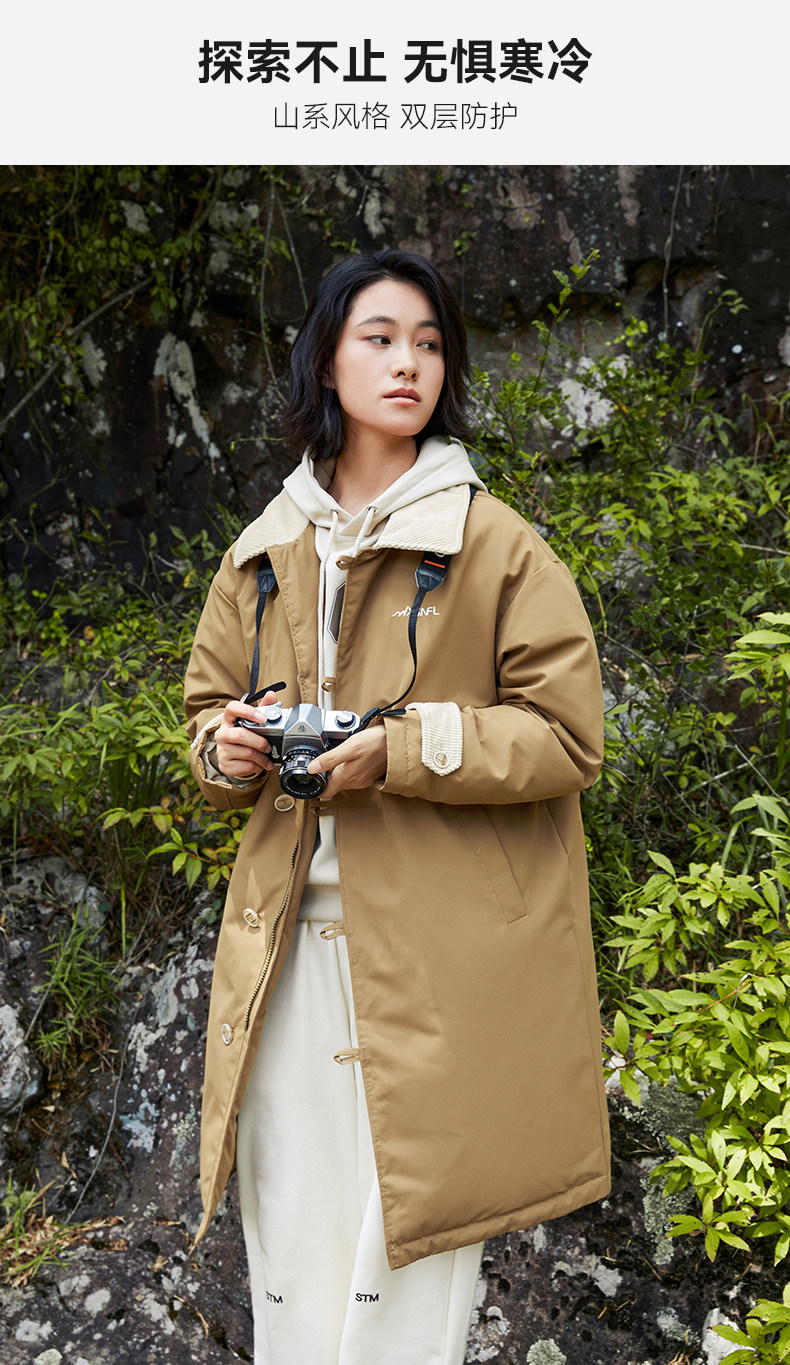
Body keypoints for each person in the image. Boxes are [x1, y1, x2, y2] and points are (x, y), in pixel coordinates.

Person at [184, 248, 610, 1365]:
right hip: (285, 953)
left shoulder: (496, 544)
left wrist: (402, 749)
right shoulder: (263, 551)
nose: (408, 362)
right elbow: (205, 714)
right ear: (326, 359)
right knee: (290, 1248)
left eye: (428, 343)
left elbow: (568, 735)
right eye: (378, 339)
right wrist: (230, 747)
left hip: (439, 958)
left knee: (404, 1259)